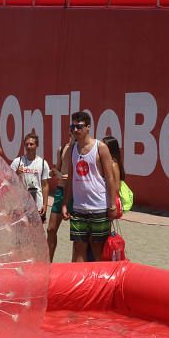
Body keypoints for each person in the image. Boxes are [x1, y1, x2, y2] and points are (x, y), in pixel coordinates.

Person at [61, 112, 119, 263]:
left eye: (79, 126)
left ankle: (99, 285)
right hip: (79, 208)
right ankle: (80, 284)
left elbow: (110, 178)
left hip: (99, 207)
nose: (75, 130)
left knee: (97, 249)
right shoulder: (72, 148)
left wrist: (112, 205)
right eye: (72, 126)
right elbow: (71, 178)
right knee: (78, 247)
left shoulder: (101, 148)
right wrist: (66, 204)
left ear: (88, 127)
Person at [10, 131, 51, 223]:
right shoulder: (17, 162)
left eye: (31, 144)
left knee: (37, 232)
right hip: (20, 204)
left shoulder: (43, 163)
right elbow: (8, 181)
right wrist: (16, 173)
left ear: (36, 145)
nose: (28, 147)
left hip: (38, 204)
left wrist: (45, 205)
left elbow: (45, 185)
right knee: (21, 231)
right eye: (26, 144)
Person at [46, 133, 74, 262]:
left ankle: (77, 266)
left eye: (78, 128)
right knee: (51, 229)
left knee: (78, 236)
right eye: (72, 130)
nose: (75, 132)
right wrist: (53, 172)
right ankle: (48, 263)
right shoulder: (62, 148)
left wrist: (70, 177)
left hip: (76, 193)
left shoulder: (84, 150)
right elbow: (57, 168)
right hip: (61, 191)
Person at [102, 136, 133, 216]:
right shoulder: (102, 162)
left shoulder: (113, 164)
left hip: (107, 201)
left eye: (103, 146)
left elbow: (116, 187)